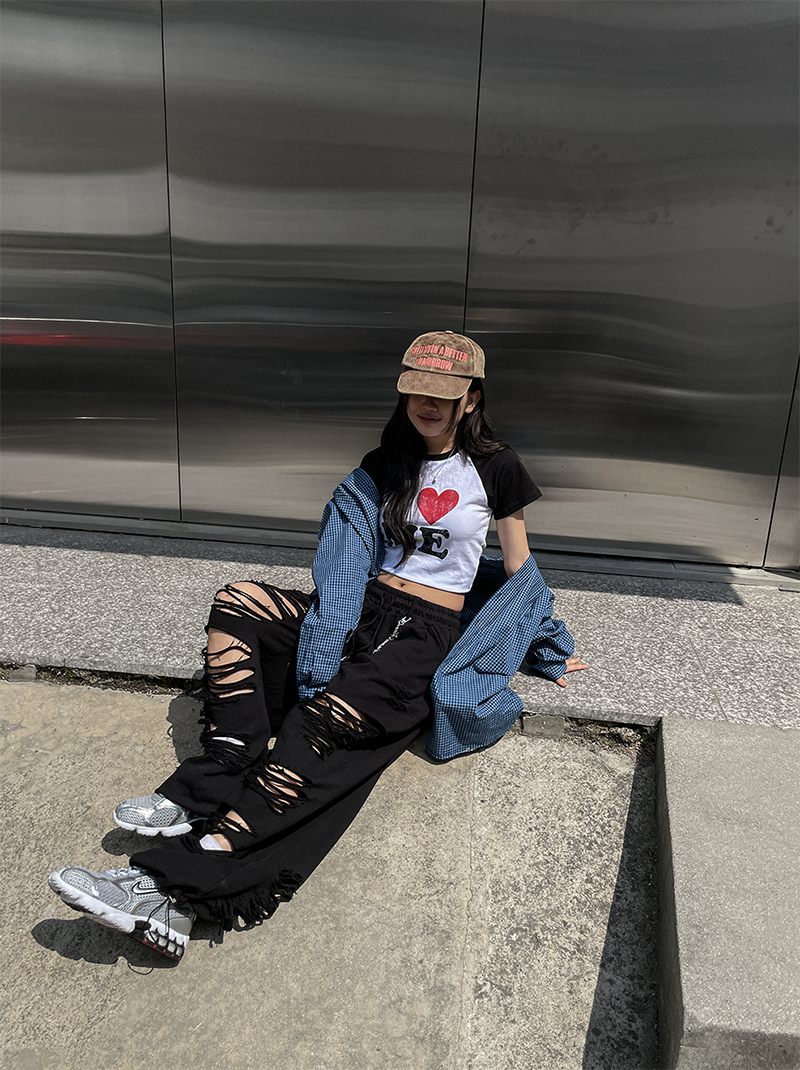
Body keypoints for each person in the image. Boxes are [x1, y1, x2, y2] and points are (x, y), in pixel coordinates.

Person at [48, 331, 587, 962]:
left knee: (318, 723)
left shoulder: (497, 466)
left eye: (444, 394)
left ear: (470, 399)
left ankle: (169, 884)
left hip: (424, 633)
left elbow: (520, 572)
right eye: (417, 391)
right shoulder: (385, 462)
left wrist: (548, 646)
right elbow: (348, 550)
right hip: (362, 609)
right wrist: (335, 622)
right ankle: (222, 765)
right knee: (239, 602)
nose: (428, 404)